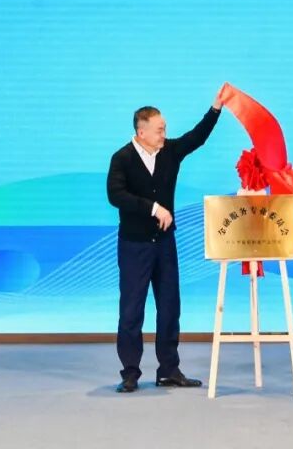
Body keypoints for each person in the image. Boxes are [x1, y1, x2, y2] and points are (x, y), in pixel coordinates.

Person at [106, 88, 224, 393]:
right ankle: (130, 372)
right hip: (134, 245)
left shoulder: (170, 152)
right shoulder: (122, 158)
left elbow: (196, 137)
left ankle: (169, 369)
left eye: (165, 129)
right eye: (159, 129)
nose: (164, 134)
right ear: (141, 132)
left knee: (170, 306)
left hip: (164, 245)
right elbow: (116, 195)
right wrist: (153, 208)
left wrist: (215, 109)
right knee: (131, 310)